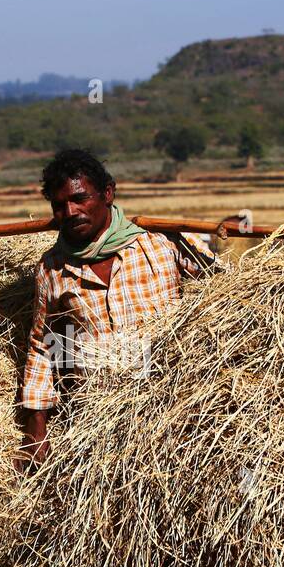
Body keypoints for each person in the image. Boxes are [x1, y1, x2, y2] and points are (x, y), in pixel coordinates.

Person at [16, 148, 227, 472]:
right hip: (94, 415)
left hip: (173, 404)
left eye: (80, 199)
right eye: (59, 206)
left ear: (108, 193)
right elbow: (44, 346)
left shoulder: (161, 243)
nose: (70, 212)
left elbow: (227, 289)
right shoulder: (52, 269)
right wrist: (36, 429)